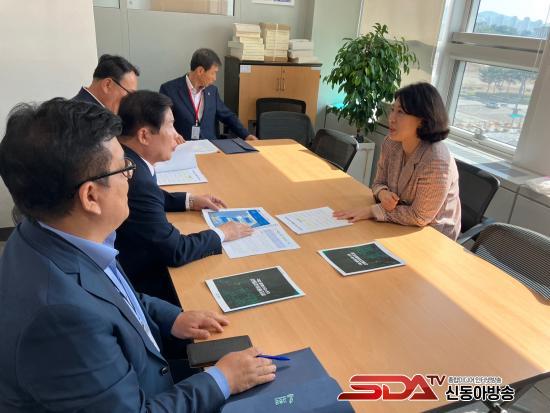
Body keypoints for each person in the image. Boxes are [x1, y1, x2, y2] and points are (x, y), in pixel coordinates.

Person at [0, 98, 275, 412]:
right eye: (125, 169)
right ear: (90, 196)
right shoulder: (62, 317)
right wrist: (222, 380)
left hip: (137, 372)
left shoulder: (49, 230)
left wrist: (173, 317)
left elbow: (115, 295)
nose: (132, 178)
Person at [115, 91, 253, 301]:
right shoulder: (138, 180)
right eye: (170, 125)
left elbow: (150, 198)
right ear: (144, 135)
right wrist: (222, 233)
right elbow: (176, 250)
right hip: (144, 282)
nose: (176, 134)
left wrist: (190, 200)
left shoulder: (129, 159)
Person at [334, 82, 461, 240]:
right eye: (392, 110)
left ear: (423, 120)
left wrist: (372, 211)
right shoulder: (391, 143)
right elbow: (378, 183)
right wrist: (382, 193)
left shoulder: (437, 161)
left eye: (400, 112)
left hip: (432, 235)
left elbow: (420, 216)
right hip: (395, 223)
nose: (391, 118)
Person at [159, 48, 257, 141]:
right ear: (200, 71)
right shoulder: (169, 90)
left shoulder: (212, 91)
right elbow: (162, 122)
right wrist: (173, 135)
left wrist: (246, 135)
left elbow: (228, 116)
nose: (215, 78)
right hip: (183, 146)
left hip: (210, 146)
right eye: (213, 73)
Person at [72, 54, 140, 114]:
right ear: (107, 85)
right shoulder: (82, 117)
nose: (131, 102)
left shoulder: (79, 110)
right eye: (129, 94)